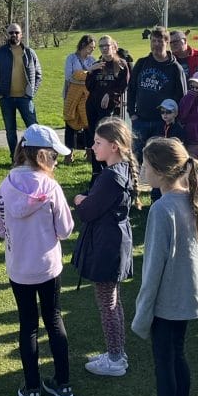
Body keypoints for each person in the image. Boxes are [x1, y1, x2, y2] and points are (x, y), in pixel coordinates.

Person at [131, 137, 198, 396]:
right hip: (187, 297)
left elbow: (153, 268)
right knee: (177, 356)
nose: (141, 169)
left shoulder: (163, 208)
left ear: (161, 170)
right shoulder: (191, 199)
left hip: (169, 300)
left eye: (145, 164)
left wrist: (143, 313)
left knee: (164, 363)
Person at [0, 124, 75, 396]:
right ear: (42, 155)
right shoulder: (50, 186)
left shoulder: (6, 184)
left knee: (28, 324)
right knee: (53, 319)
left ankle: (32, 390)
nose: (56, 160)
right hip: (48, 266)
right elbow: (65, 229)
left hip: (19, 267)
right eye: (53, 155)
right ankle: (63, 384)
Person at [72, 118, 140, 378]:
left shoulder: (111, 176)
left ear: (114, 146)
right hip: (114, 242)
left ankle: (115, 359)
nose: (92, 147)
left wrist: (80, 200)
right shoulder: (119, 170)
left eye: (98, 143)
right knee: (114, 301)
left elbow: (88, 211)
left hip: (107, 245)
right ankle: (117, 352)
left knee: (107, 303)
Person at [127, 26, 187, 165]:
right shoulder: (142, 63)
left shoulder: (175, 68)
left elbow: (182, 96)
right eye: (153, 41)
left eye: (160, 41)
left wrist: (173, 119)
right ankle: (136, 185)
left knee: (158, 160)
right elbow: (131, 89)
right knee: (136, 158)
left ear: (167, 42)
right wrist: (132, 113)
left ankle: (156, 187)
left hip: (162, 121)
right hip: (140, 119)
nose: (156, 45)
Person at [0, 23, 43, 157]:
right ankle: (15, 158)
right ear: (7, 35)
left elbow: (38, 75)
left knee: (33, 128)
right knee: (10, 130)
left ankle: (36, 157)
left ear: (21, 34)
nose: (14, 35)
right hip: (6, 99)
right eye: (11, 32)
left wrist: (31, 93)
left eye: (16, 32)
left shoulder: (29, 52)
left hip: (25, 98)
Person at [85, 36, 131, 175]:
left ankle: (110, 170)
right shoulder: (98, 64)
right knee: (95, 139)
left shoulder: (121, 64)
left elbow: (123, 85)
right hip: (93, 106)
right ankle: (96, 172)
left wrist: (109, 94)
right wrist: (91, 72)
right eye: (101, 46)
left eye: (107, 45)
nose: (104, 48)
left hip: (109, 108)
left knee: (107, 139)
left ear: (113, 46)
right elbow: (89, 87)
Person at [63, 35, 97, 165]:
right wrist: (87, 73)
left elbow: (93, 78)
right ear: (83, 45)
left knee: (88, 124)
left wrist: (83, 75)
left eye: (93, 48)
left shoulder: (92, 60)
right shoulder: (71, 58)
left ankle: (89, 153)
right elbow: (69, 76)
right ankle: (68, 154)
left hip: (87, 97)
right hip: (72, 95)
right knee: (70, 123)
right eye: (90, 47)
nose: (92, 50)